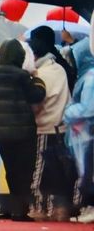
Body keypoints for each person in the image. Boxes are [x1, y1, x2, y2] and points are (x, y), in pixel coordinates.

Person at [0, 39, 46, 221]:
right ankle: (22, 210)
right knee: (24, 171)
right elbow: (36, 95)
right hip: (23, 131)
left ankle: (14, 208)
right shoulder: (22, 76)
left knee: (10, 170)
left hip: (1, 133)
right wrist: (38, 80)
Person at [28, 32, 74, 221]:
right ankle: (60, 209)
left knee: (39, 173)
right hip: (62, 128)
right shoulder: (59, 69)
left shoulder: (42, 74)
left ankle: (39, 209)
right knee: (59, 172)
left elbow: (37, 103)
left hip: (44, 128)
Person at [63, 38, 94, 223]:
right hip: (84, 134)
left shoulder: (90, 77)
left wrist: (68, 111)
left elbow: (88, 108)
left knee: (88, 172)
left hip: (87, 134)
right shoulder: (86, 76)